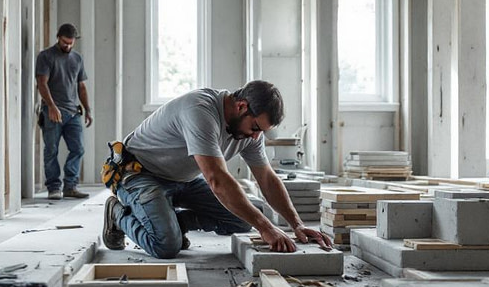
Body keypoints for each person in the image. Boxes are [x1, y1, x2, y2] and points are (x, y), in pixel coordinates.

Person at [101, 80, 332, 259]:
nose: (256, 136)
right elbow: (216, 179)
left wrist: (297, 224)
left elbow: (267, 179)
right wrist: (266, 228)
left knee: (246, 217)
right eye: (255, 128)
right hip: (140, 174)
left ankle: (174, 222)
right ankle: (117, 214)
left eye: (261, 131)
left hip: (182, 179)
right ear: (241, 106)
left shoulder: (251, 133)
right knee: (165, 245)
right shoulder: (200, 110)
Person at [36, 23, 92, 200]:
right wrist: (51, 107)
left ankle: (70, 186)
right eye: (64, 42)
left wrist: (88, 110)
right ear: (58, 38)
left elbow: (81, 86)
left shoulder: (77, 59)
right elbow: (42, 83)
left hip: (73, 112)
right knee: (51, 150)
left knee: (78, 149)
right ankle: (53, 187)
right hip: (52, 111)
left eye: (70, 43)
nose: (67, 46)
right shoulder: (46, 56)